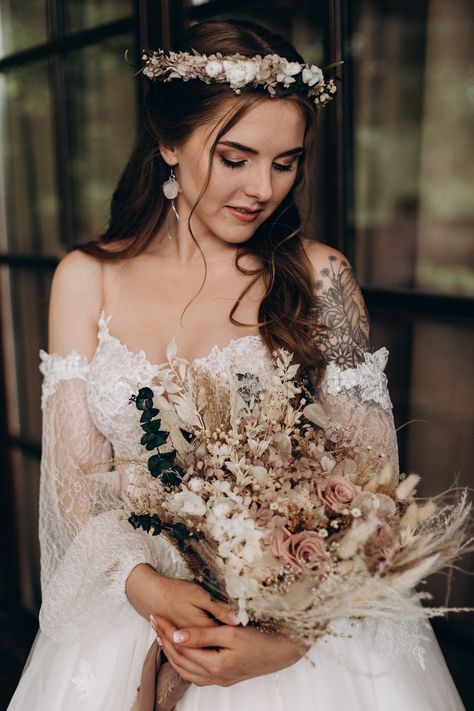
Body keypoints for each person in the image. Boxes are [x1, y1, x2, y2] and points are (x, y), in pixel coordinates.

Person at [7, 18, 465, 711]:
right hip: (133, 621)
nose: (262, 188)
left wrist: (289, 640)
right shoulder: (85, 278)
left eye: (286, 163)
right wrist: (145, 586)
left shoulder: (324, 279)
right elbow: (73, 491)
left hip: (303, 639)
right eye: (236, 157)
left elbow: (374, 496)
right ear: (168, 143)